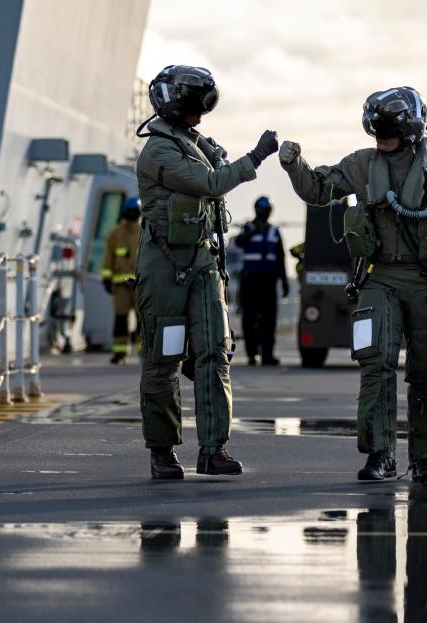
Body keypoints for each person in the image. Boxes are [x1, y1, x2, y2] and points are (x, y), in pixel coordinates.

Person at [278, 87, 427, 485]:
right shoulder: (361, 165)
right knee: (375, 366)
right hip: (380, 278)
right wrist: (294, 165)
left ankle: (426, 457)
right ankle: (380, 455)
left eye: (388, 133)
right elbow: (319, 190)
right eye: (378, 133)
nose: (382, 140)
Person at [134, 64, 278, 480]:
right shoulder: (159, 152)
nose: (200, 116)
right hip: (165, 266)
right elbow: (212, 183)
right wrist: (256, 156)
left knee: (215, 354)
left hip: (203, 261)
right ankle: (162, 451)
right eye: (195, 108)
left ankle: (214, 449)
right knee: (163, 358)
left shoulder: (193, 143)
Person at [234, 196, 289, 366]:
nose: (264, 212)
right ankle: (252, 354)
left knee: (269, 319)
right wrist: (253, 231)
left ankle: (267, 355)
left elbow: (281, 257)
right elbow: (239, 241)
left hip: (268, 280)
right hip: (250, 280)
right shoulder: (249, 228)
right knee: (249, 318)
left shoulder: (274, 231)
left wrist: (284, 281)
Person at [102, 196, 142, 365]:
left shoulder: (145, 232)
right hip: (121, 286)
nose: (132, 214)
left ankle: (144, 352)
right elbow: (108, 258)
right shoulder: (116, 234)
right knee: (120, 319)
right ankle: (120, 353)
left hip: (141, 285)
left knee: (143, 320)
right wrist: (106, 278)